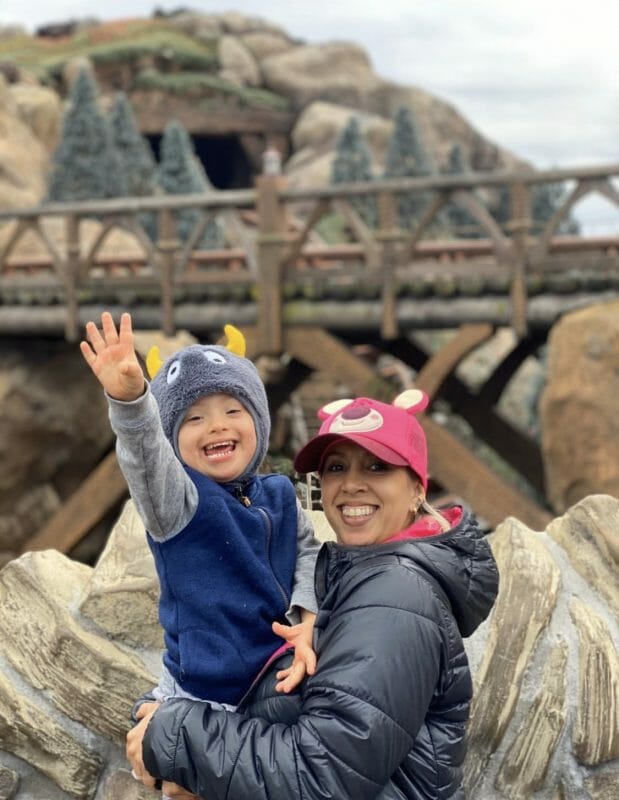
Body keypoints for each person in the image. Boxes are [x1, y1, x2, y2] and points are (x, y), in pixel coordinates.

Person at [127, 388, 499, 800]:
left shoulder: (396, 597)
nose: (352, 484)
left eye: (377, 466)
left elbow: (323, 777)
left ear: (417, 489)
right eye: (336, 467)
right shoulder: (354, 579)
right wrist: (173, 708)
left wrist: (173, 734)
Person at [80, 313, 321, 744]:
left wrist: (308, 616)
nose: (217, 425)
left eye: (233, 410)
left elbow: (307, 552)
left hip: (273, 668)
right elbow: (146, 460)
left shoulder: (281, 494)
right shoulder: (177, 503)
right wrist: (133, 405)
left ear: (260, 425)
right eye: (193, 419)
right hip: (206, 691)